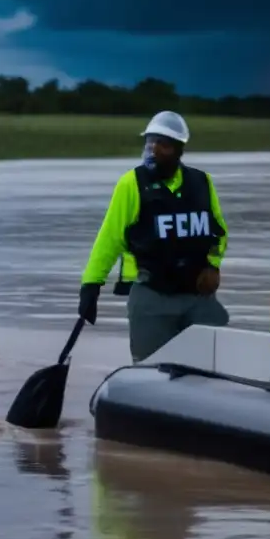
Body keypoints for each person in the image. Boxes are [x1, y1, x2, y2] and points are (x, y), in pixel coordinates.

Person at [78, 111, 230, 362]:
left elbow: (219, 234)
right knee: (151, 373)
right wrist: (91, 285)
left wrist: (213, 265)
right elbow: (110, 238)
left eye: (164, 144)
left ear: (179, 150)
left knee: (210, 370)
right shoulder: (131, 184)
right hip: (152, 297)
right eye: (150, 142)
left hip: (198, 297)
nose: (154, 150)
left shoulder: (202, 182)